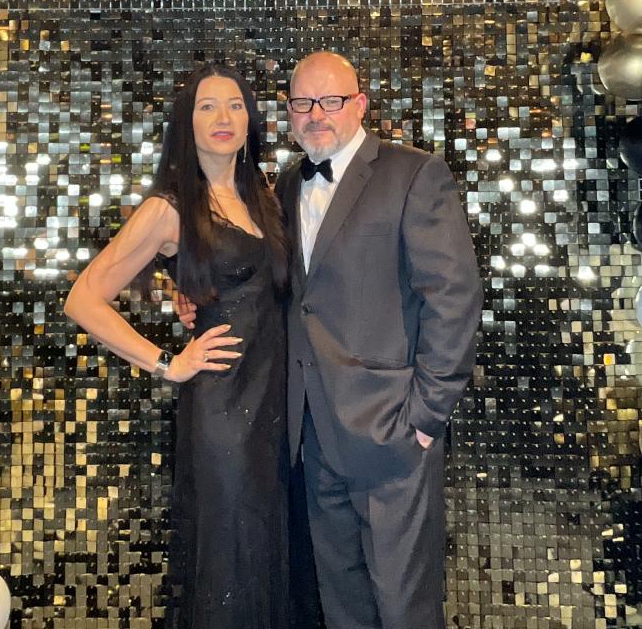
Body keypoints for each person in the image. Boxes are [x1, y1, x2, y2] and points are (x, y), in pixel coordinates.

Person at [178, 50, 483, 629]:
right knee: (340, 604)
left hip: (392, 432)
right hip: (310, 436)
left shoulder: (413, 174)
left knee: (404, 606)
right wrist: (188, 290)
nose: (316, 114)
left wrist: (425, 416)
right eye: (303, 103)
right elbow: (263, 281)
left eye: (332, 101)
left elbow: (454, 297)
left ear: (359, 105)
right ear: (290, 112)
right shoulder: (284, 185)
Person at [64, 63, 291, 629]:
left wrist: (183, 286)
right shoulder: (168, 208)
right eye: (206, 106)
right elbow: (83, 299)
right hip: (223, 410)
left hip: (276, 406)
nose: (223, 117)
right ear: (186, 123)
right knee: (230, 557)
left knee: (268, 552)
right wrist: (168, 362)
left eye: (235, 105)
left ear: (251, 120)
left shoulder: (262, 195)